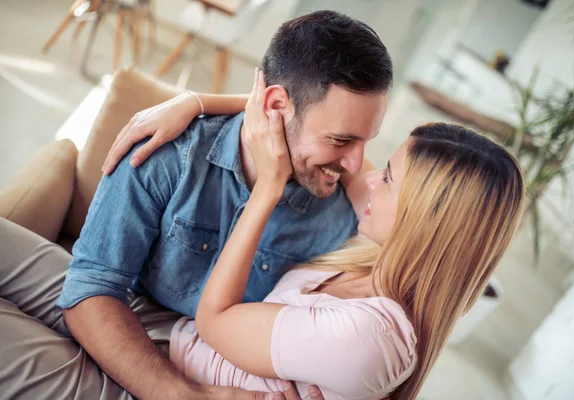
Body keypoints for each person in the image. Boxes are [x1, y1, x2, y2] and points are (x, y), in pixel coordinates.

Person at [0, 10, 392, 400]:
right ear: (274, 106)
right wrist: (199, 102)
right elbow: (92, 286)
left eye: (365, 141)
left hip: (212, 363)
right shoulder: (170, 152)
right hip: (128, 311)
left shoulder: (345, 217)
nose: (357, 165)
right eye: (341, 140)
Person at [112, 69, 526, 399]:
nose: (369, 177)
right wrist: (196, 102)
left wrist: (267, 190)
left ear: (424, 221)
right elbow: (313, 125)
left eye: (387, 177)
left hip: (160, 376)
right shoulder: (377, 268)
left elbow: (214, 320)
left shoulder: (369, 338)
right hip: (169, 340)